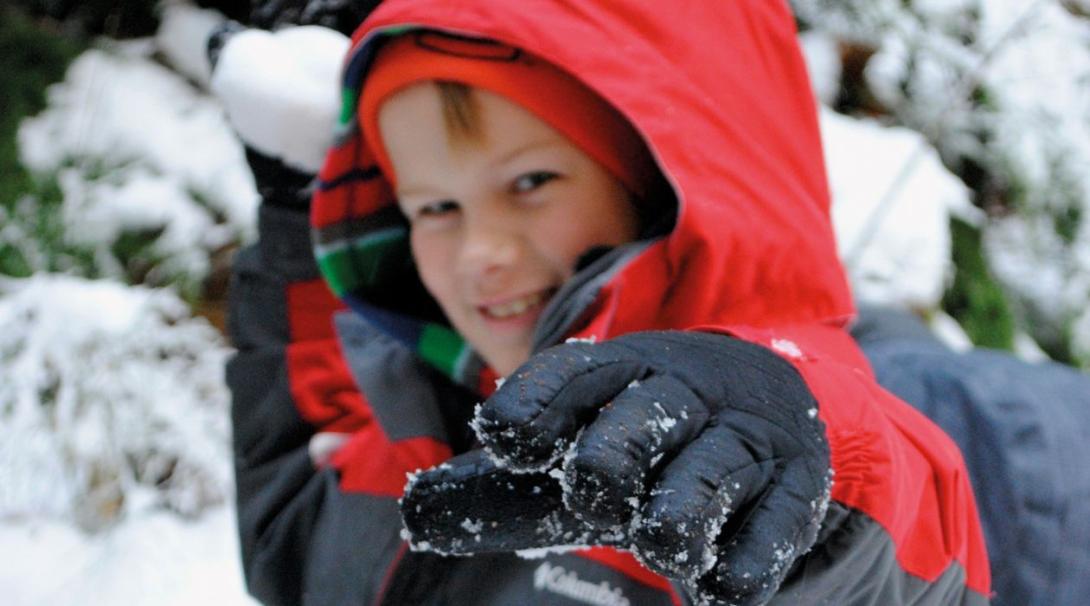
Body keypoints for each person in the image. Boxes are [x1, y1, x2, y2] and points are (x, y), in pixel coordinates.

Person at [224, 1, 992, 604]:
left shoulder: (760, 430)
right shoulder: (426, 416)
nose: (479, 249)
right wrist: (297, 219)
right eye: (434, 208)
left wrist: (819, 503)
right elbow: (289, 547)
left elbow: (901, 545)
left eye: (532, 183)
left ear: (655, 185)